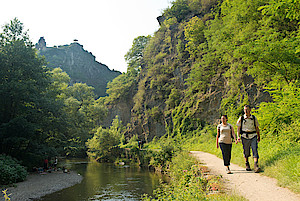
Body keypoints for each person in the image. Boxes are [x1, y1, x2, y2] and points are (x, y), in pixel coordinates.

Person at [237, 105, 261, 173]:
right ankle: (247, 163)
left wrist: (259, 136)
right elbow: (238, 128)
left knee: (255, 149)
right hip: (245, 136)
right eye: (245, 110)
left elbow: (257, 127)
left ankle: (256, 165)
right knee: (246, 151)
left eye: (247, 109)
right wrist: (238, 136)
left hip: (253, 135)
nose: (246, 111)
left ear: (250, 110)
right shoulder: (241, 118)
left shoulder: (253, 118)